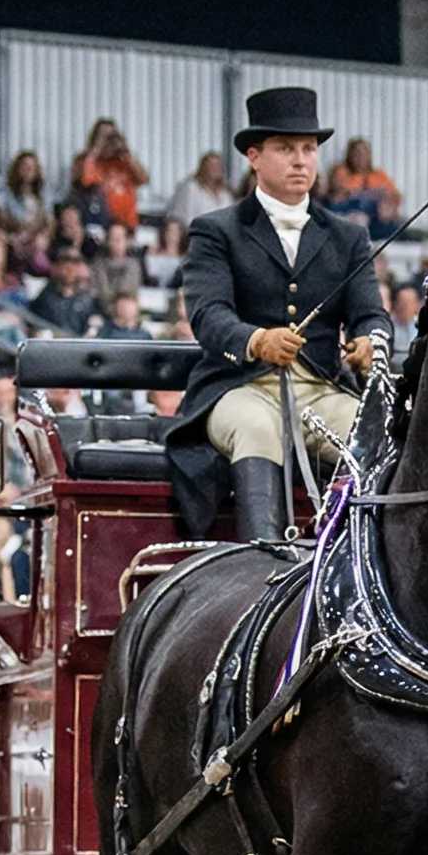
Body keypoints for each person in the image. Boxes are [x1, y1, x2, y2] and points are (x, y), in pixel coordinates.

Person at [166, 87, 388, 543]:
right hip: (239, 388)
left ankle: (368, 563)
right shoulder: (216, 231)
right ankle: (262, 558)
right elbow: (208, 315)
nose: (301, 160)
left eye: (308, 149)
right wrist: (256, 341)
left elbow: (372, 314)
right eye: (286, 148)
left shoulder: (348, 238)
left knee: (376, 434)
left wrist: (371, 343)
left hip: (321, 389)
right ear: (254, 155)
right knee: (258, 427)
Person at [73, 119, 147, 229]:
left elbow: (144, 179)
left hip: (126, 224)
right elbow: (83, 181)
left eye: (112, 136)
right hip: (99, 223)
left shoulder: (125, 161)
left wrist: (126, 152)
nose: (109, 141)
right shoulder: (86, 161)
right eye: (104, 137)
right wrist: (97, 147)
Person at [322, 137, 402, 239]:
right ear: (350, 154)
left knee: (393, 224)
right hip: (349, 214)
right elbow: (341, 194)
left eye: (364, 153)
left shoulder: (379, 175)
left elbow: (394, 195)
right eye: (357, 153)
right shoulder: (341, 171)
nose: (360, 157)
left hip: (375, 219)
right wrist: (374, 193)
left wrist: (388, 206)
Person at [31, 249, 97, 337]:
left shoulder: (87, 299)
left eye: (73, 266)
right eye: (65, 266)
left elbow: (94, 323)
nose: (69, 271)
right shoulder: (45, 297)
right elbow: (35, 324)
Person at [166, 150, 231, 228]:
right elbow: (185, 217)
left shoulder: (226, 193)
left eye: (218, 166)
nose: (216, 169)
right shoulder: (191, 188)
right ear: (203, 168)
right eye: (212, 166)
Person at [90, 221, 145, 306]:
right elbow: (96, 291)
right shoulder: (98, 265)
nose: (116, 242)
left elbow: (127, 291)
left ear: (127, 241)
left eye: (119, 238)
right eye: (112, 238)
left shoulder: (134, 266)